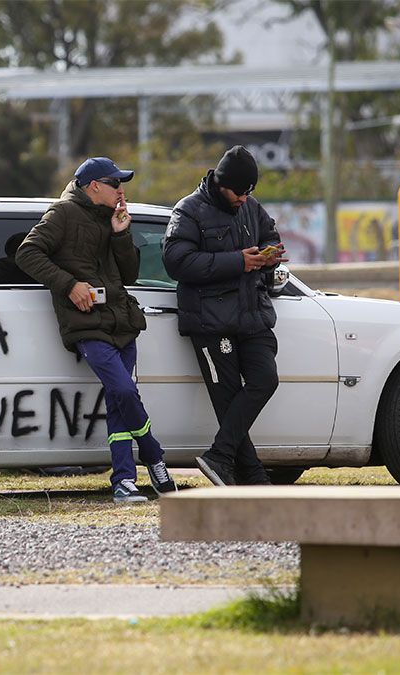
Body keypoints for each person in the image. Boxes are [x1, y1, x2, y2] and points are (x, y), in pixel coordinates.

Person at [16, 157, 177, 503]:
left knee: (119, 401)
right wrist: (69, 285)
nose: (121, 190)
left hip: (123, 323)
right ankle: (153, 454)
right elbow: (27, 253)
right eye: (114, 183)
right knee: (124, 391)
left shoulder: (111, 217)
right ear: (93, 187)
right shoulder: (62, 213)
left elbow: (129, 275)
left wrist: (121, 234)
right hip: (87, 325)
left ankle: (124, 482)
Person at [162, 145, 287, 487]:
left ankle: (220, 456)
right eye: (239, 192)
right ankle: (254, 477)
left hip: (253, 316)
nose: (244, 199)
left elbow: (270, 236)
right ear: (220, 183)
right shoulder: (188, 210)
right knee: (229, 398)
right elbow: (177, 262)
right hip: (211, 322)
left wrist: (270, 258)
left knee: (266, 380)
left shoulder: (251, 207)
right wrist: (238, 261)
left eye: (249, 192)